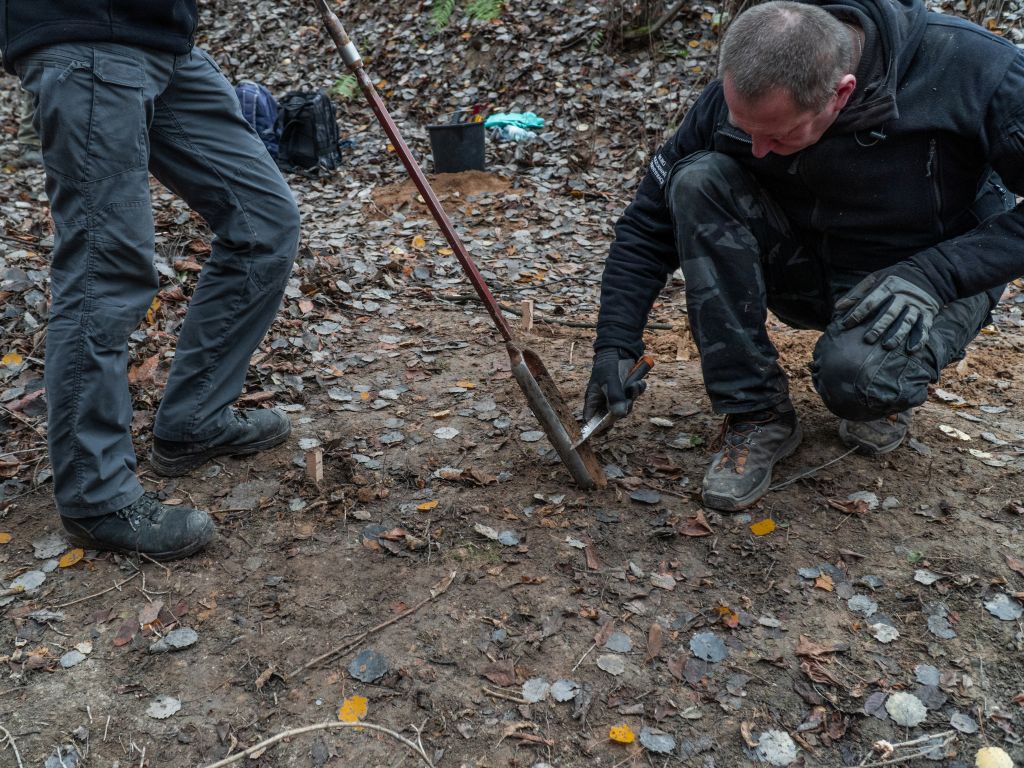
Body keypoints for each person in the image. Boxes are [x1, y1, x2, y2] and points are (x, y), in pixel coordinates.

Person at [584, 0, 1024, 512]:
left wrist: (940, 274)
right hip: (805, 263)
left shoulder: (979, 70)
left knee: (860, 382)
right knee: (698, 178)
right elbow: (646, 222)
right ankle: (756, 413)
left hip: (927, 274)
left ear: (842, 93)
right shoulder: (748, 87)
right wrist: (615, 342)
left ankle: (882, 385)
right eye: (745, 129)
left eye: (777, 134)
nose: (758, 149)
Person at [1, 2, 301, 558]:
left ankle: (196, 421)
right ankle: (97, 498)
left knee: (265, 223)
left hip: (164, 39)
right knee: (105, 269)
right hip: (86, 34)